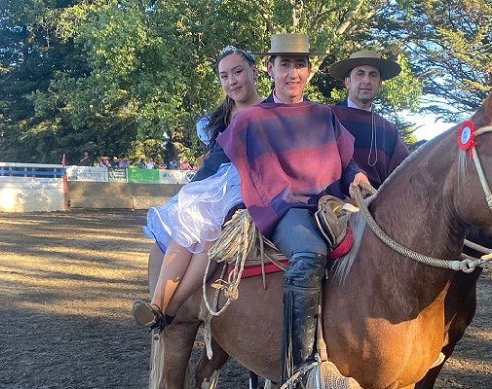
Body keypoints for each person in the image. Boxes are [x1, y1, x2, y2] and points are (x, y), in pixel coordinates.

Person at [217, 33, 369, 384]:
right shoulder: (250, 119)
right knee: (309, 254)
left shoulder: (324, 115)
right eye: (285, 64)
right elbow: (220, 163)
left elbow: (344, 162)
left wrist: (356, 174)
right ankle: (303, 368)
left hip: (332, 205)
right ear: (270, 69)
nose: (292, 73)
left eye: (299, 64)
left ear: (309, 71)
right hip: (287, 207)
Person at [132, 46, 262, 332]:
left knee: (210, 238)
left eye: (238, 72)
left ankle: (169, 308)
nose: (232, 81)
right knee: (186, 228)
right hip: (215, 185)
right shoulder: (218, 119)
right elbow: (212, 163)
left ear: (254, 71)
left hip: (246, 186)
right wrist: (191, 192)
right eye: (225, 76)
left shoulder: (268, 112)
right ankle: (157, 305)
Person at [327, 50, 410, 188]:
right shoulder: (328, 116)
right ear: (348, 82)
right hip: (332, 203)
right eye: (360, 74)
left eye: (373, 75)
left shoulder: (388, 129)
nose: (366, 80)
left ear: (379, 84)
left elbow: (406, 170)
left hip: (378, 204)